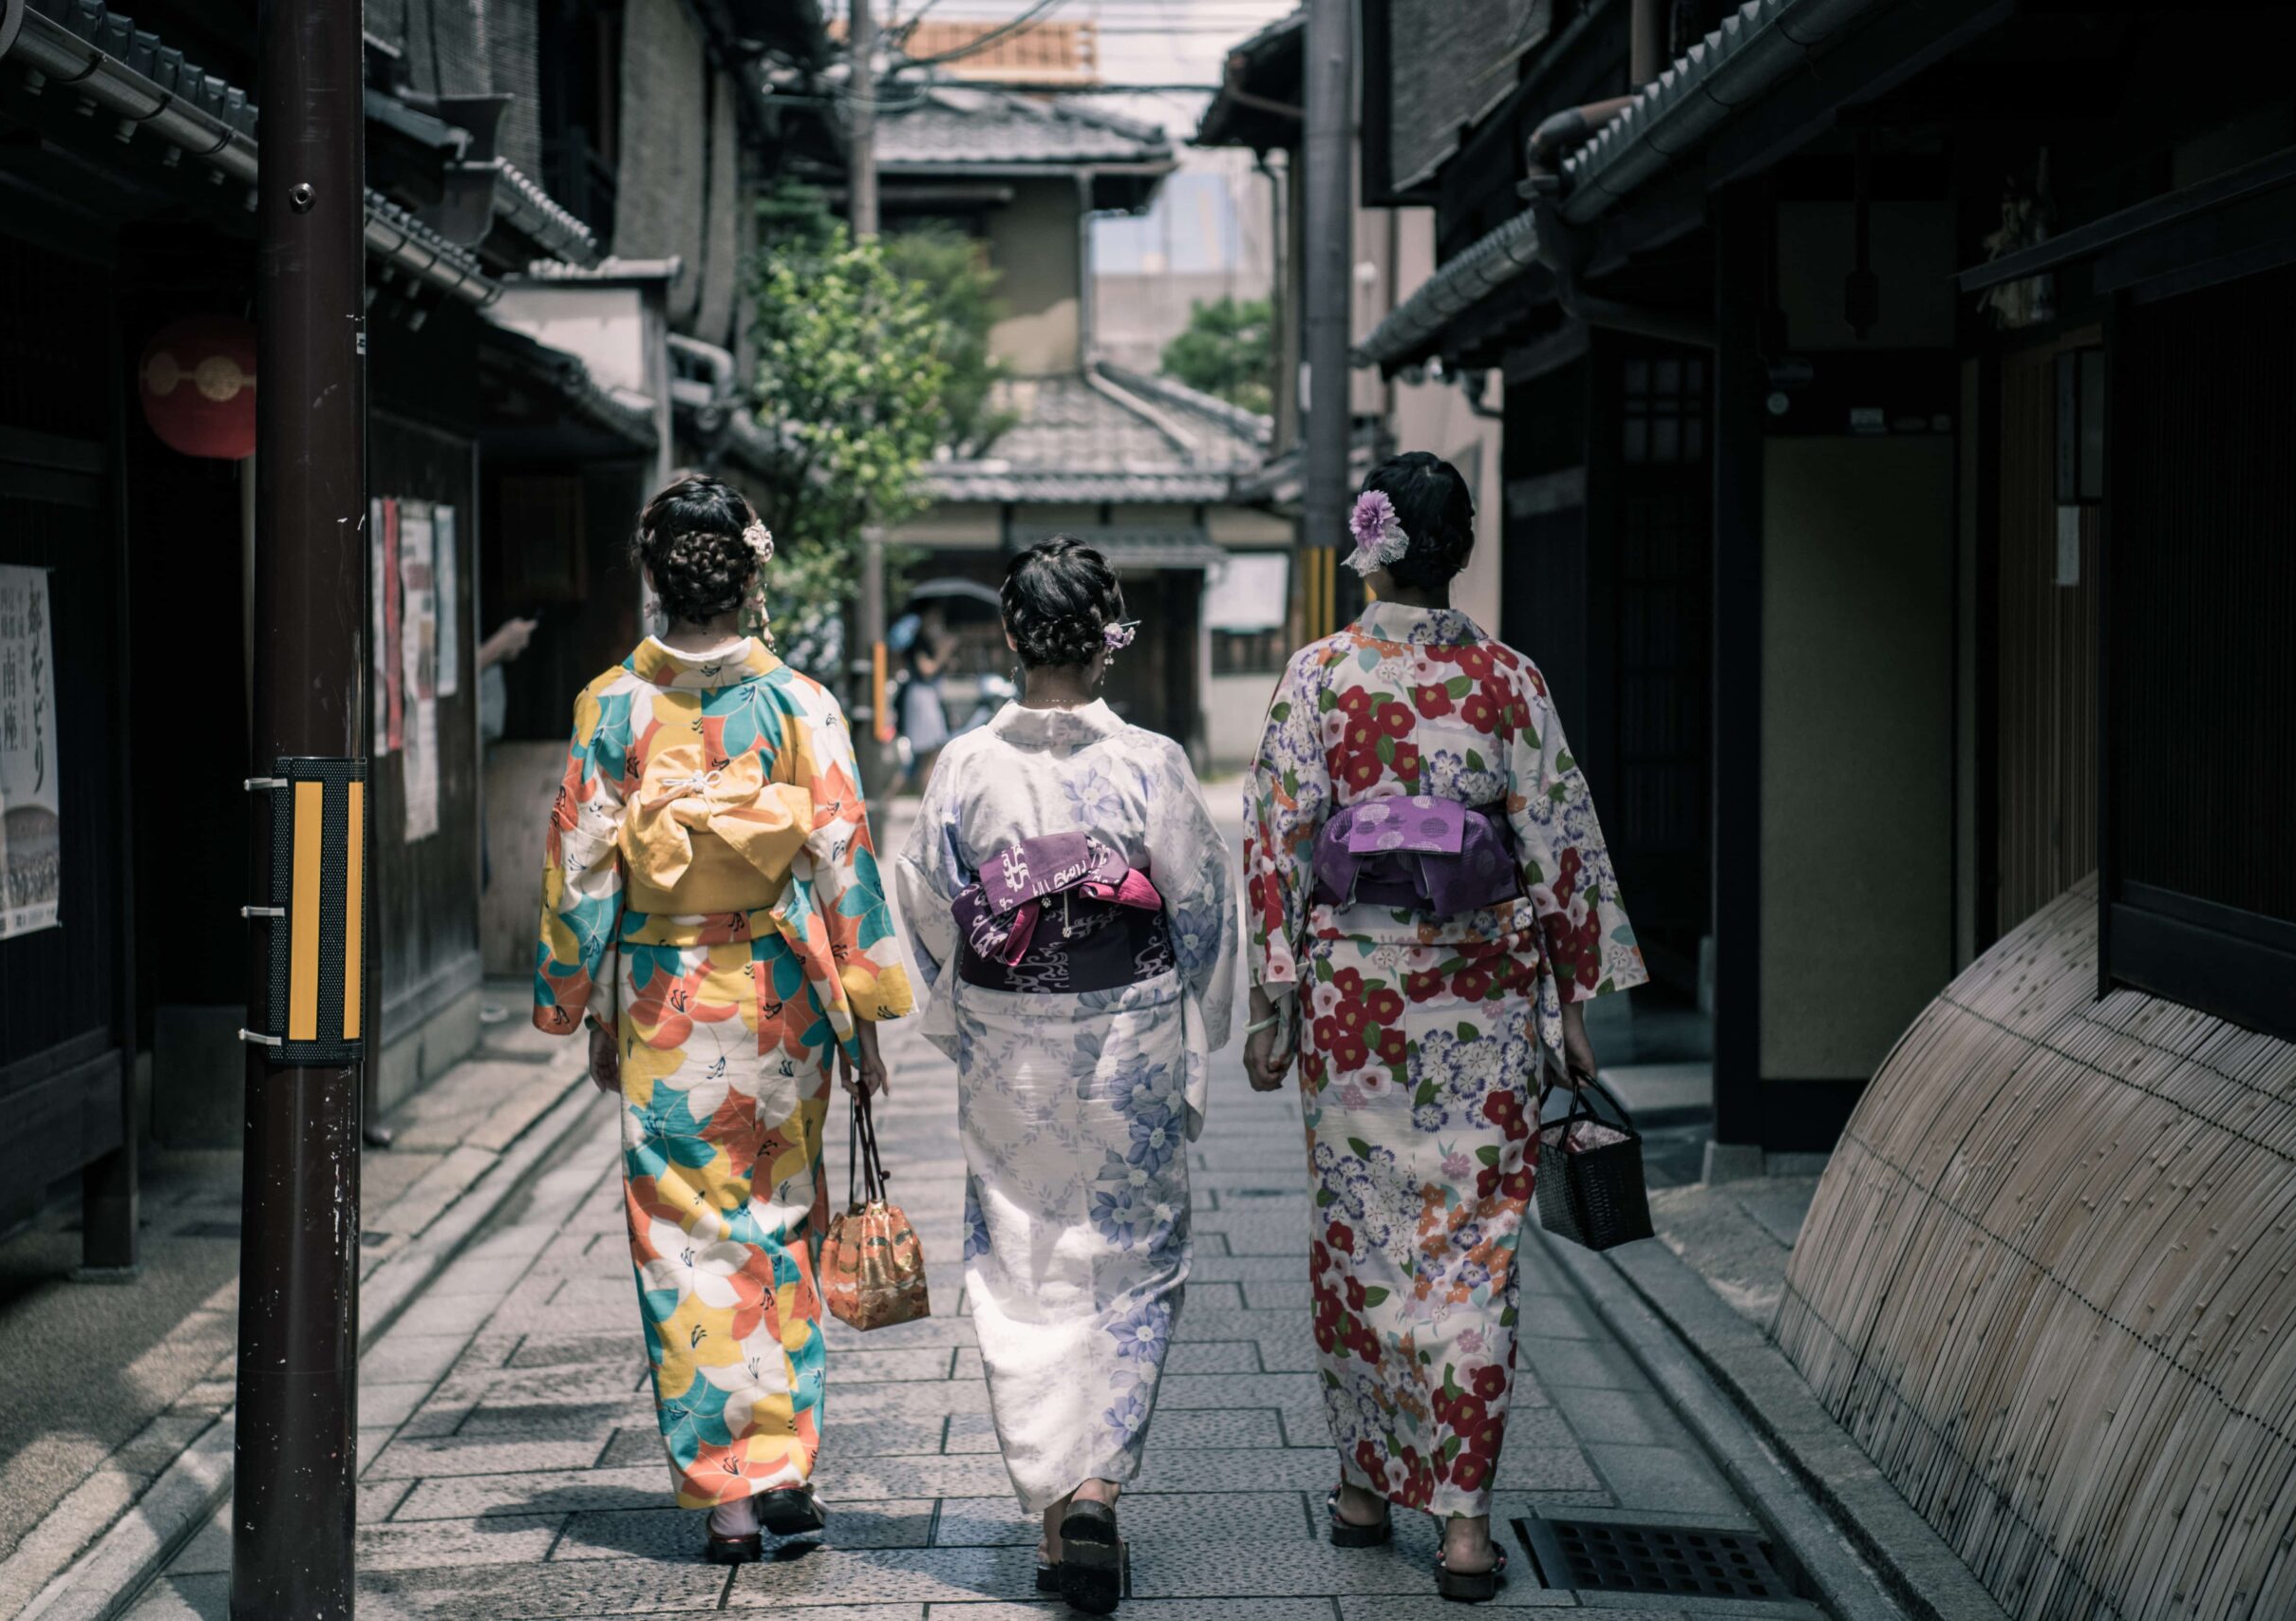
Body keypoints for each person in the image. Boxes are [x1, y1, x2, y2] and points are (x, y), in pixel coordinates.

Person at [1241, 453, 1646, 1602]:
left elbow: (1276, 845)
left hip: (1356, 1004)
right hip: (1482, 1000)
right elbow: (1560, 844)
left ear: (1366, 547)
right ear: (1458, 548)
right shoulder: (1508, 681)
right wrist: (1570, 1006)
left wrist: (1272, 1007)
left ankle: (1366, 1487)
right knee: (1472, 1254)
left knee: (1362, 1241)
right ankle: (1463, 1522)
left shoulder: (1319, 677)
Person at [533, 471, 913, 1565]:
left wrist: (579, 998)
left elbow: (581, 869)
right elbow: (844, 852)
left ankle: (730, 1500)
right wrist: (868, 1010)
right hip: (783, 989)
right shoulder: (800, 702)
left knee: (684, 1241)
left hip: (662, 992)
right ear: (751, 575)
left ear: (653, 577)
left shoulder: (614, 705)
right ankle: (786, 1465)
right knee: (780, 1219)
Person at [893, 538, 1237, 1615]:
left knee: (1023, 1257)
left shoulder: (963, 766)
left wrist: (966, 1002)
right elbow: (1199, 908)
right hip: (1127, 1029)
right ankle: (1097, 1486)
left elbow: (926, 902)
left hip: (1008, 1031)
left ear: (1008, 640)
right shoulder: (1150, 763)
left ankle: (1056, 1517)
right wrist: (1202, 1017)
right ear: (1107, 639)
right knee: (1130, 1261)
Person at [895, 606, 956, 795]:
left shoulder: (929, 642)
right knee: (927, 755)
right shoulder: (918, 643)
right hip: (921, 699)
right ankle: (923, 799)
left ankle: (922, 797)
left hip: (929, 697)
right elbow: (927, 670)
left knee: (932, 754)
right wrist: (944, 652)